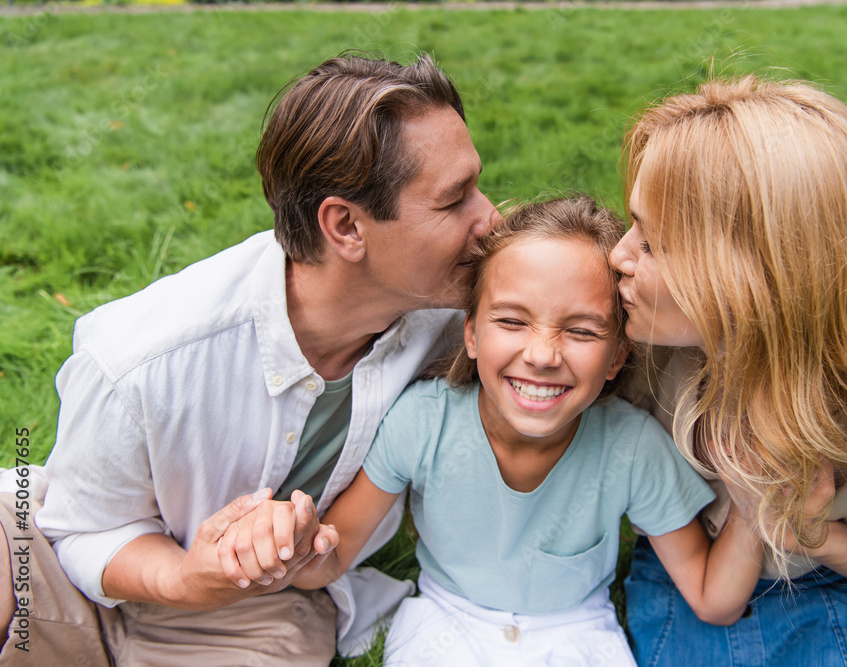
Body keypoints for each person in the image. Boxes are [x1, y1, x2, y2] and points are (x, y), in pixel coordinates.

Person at [0, 52, 500, 665]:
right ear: (345, 227)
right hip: (70, 561)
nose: (491, 219)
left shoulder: (465, 315)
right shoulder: (140, 360)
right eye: (454, 201)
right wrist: (188, 576)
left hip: (257, 614)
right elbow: (80, 529)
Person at [218, 197, 766, 666]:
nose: (543, 355)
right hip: (443, 624)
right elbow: (331, 560)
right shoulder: (421, 422)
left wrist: (758, 500)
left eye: (580, 330)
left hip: (575, 636)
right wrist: (294, 546)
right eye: (511, 321)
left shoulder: (632, 447)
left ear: (618, 356)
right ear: (472, 334)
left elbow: (711, 598)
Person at [610, 75, 847, 667]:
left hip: (829, 575)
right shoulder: (650, 345)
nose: (618, 255)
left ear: (764, 281)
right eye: (632, 223)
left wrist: (808, 529)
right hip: (687, 570)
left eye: (654, 245)